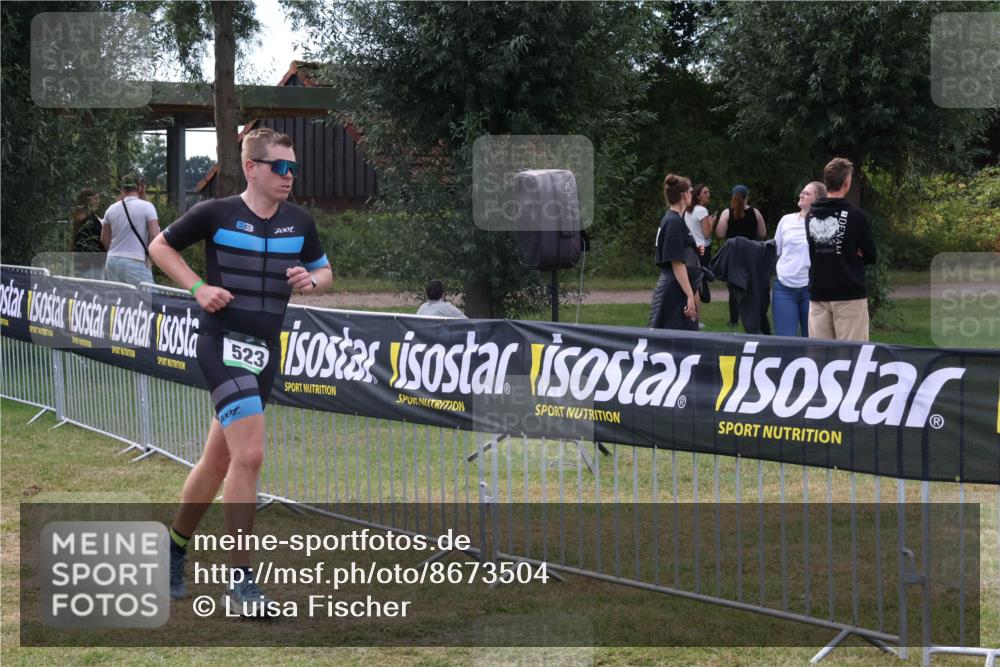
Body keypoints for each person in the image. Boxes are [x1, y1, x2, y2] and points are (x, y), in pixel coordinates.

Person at [148, 128, 332, 616]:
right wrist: (198, 288)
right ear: (252, 167)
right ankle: (241, 581)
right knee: (249, 456)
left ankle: (172, 548)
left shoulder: (300, 221)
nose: (289, 176)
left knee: (218, 462)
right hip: (220, 344)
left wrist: (312, 280)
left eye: (293, 168)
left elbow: (325, 270)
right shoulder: (217, 213)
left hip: (265, 352)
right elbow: (160, 246)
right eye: (280, 167)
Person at [806, 158, 877, 342]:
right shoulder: (857, 216)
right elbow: (871, 255)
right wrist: (853, 254)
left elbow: (813, 252)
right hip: (849, 294)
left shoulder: (811, 215)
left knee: (820, 354)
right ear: (846, 183)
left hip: (819, 292)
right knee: (852, 354)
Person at [772, 181, 827, 337]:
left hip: (811, 290)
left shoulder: (824, 224)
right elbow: (776, 251)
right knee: (785, 340)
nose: (801, 195)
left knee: (812, 340)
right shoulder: (786, 220)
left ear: (817, 200)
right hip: (784, 288)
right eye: (802, 192)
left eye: (807, 193)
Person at [649, 173, 699, 330]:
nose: (692, 194)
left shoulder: (675, 219)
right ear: (684, 195)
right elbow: (676, 262)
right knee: (669, 338)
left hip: (678, 287)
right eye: (691, 191)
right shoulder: (673, 221)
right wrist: (690, 295)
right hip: (674, 289)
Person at [715, 184, 766, 327]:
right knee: (751, 286)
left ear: (733, 196)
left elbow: (720, 234)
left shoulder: (727, 213)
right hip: (751, 253)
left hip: (733, 254)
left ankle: (734, 320)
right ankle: (751, 317)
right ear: (747, 196)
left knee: (733, 287)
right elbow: (762, 233)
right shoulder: (755, 212)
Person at [101, 177, 159, 286]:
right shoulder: (148, 207)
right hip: (136, 260)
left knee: (117, 295)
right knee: (147, 295)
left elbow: (104, 238)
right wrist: (151, 259)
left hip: (112, 260)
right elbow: (154, 235)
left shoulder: (111, 209)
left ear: (123, 189)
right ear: (140, 188)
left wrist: (115, 252)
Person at [684, 184, 716, 317]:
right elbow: (707, 234)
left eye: (708, 192)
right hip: (703, 248)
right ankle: (696, 317)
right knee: (698, 284)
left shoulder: (687, 209)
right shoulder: (702, 210)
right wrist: (711, 222)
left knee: (691, 281)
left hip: (690, 249)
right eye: (705, 192)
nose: (708, 194)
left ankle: (691, 313)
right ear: (697, 196)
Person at [71, 188, 105, 279]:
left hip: (92, 260)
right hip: (88, 261)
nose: (98, 201)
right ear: (88, 200)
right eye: (95, 198)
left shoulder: (90, 216)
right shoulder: (83, 215)